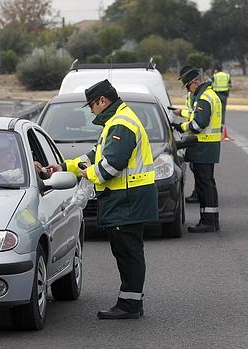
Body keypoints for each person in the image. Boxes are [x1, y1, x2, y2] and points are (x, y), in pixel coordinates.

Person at [46, 79, 158, 320]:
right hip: (126, 197)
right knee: (126, 251)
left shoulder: (121, 123)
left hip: (127, 198)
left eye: (91, 105)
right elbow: (95, 155)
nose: (91, 110)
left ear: (102, 101)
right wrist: (65, 166)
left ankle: (130, 304)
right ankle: (130, 302)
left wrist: (89, 173)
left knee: (129, 253)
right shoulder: (116, 121)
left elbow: (110, 165)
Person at [171, 65, 223, 233]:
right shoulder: (206, 95)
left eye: (187, 86)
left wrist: (181, 127)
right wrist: (183, 113)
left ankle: (208, 222)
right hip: (207, 147)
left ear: (194, 82)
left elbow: (198, 125)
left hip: (203, 147)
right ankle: (211, 220)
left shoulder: (204, 98)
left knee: (204, 185)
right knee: (207, 184)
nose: (187, 89)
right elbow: (196, 114)